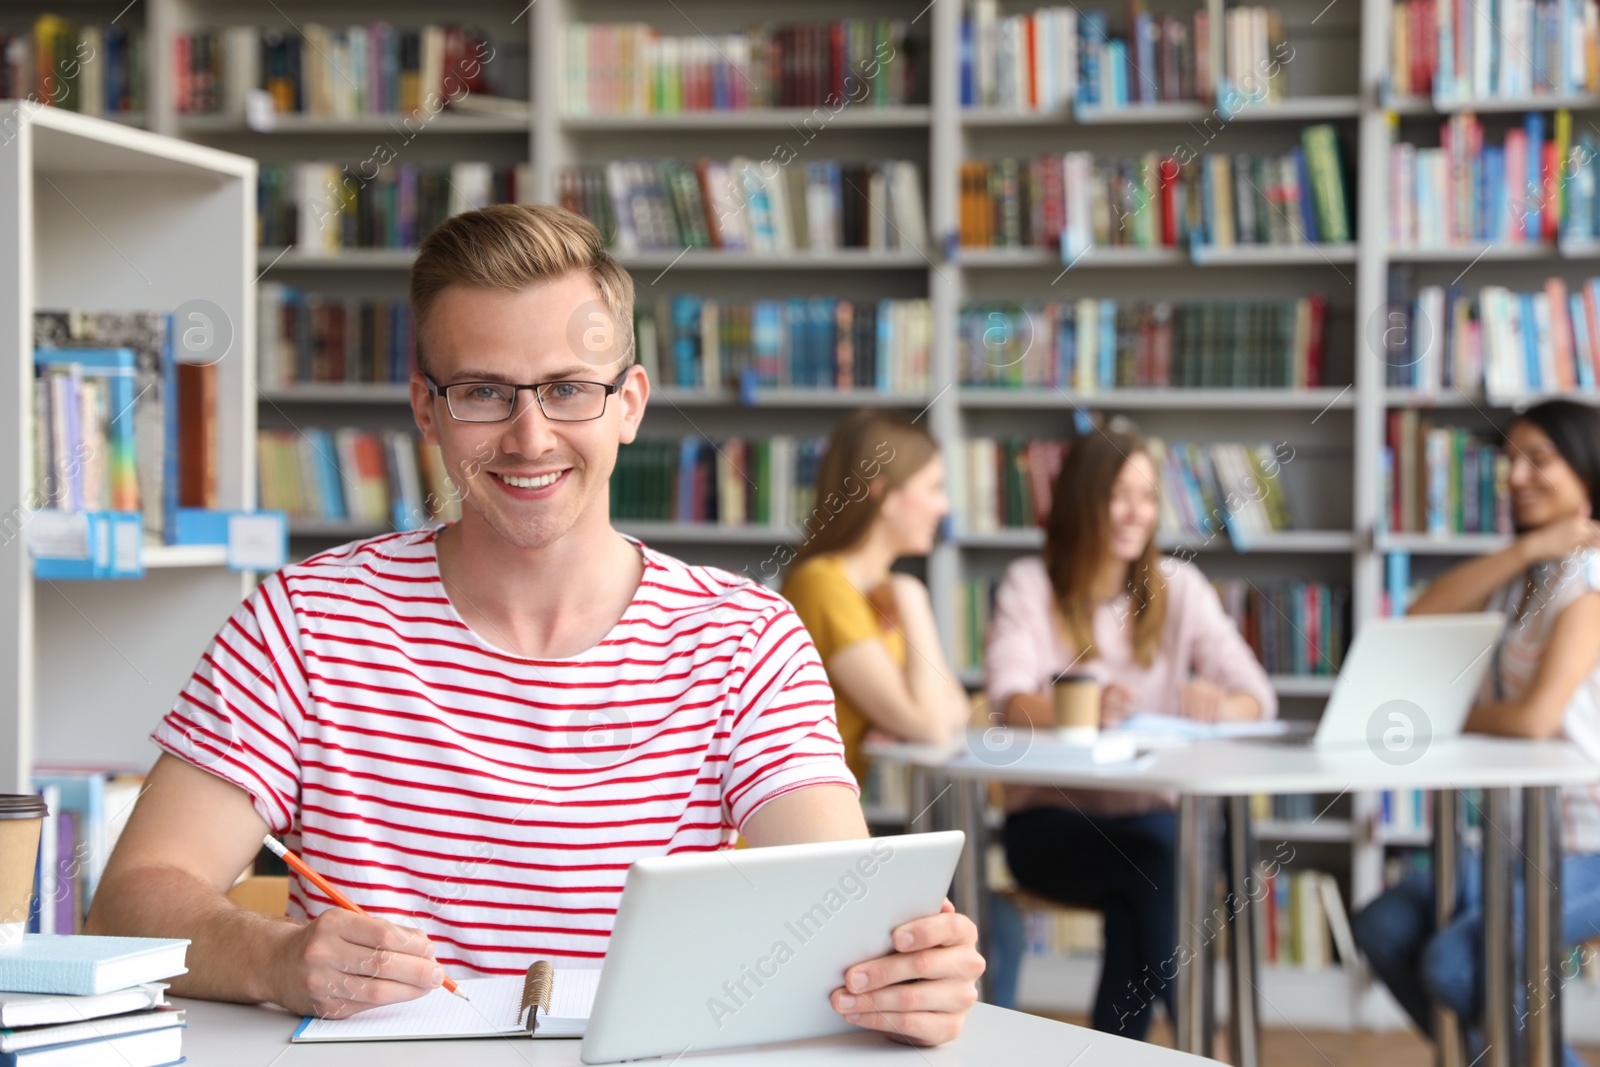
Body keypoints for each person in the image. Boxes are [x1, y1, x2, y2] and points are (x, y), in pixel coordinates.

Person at [85, 203, 983, 1043]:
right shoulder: (302, 622)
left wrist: (905, 975)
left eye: (566, 390)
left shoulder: (745, 639)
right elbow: (130, 902)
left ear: (628, 403)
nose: (529, 437)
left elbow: (837, 912)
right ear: (425, 407)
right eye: (482, 391)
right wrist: (275, 958)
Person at [986, 428, 1276, 1038]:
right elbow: (1009, 704)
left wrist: (1220, 705)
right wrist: (1079, 707)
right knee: (1157, 866)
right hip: (1051, 825)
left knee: (1145, 880)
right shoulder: (1029, 585)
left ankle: (1116, 1052)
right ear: (1081, 499)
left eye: (1147, 496)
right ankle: (1203, 1042)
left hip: (1155, 822)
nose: (1136, 512)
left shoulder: (1179, 588)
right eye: (1119, 494)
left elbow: (1259, 697)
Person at [1351, 400, 1600, 1067]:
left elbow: (1534, 719)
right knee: (1383, 923)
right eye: (1508, 459)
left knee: (1458, 967)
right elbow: (1414, 615)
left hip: (1590, 844)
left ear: (1586, 470)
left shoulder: (1593, 578)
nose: (1515, 475)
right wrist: (1525, 549)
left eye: (1538, 459)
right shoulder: (1525, 576)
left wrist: (1443, 712)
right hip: (1519, 844)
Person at [780, 410, 970, 786]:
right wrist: (914, 597)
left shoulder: (875, 585)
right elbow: (933, 723)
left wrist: (909, 717)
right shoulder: (822, 586)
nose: (944, 507)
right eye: (934, 488)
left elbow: (958, 710)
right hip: (779, 836)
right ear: (883, 493)